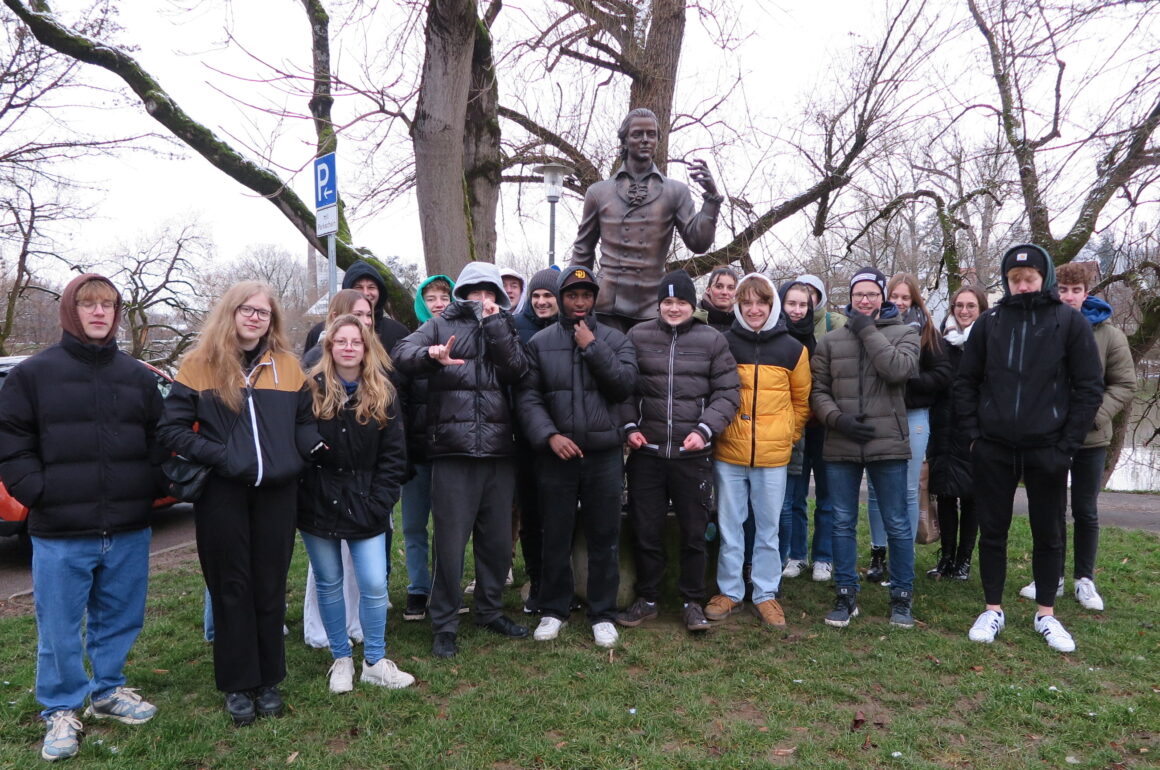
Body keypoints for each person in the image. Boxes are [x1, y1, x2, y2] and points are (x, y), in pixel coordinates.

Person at [0, 274, 163, 762]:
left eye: (108, 305)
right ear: (72, 311)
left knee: (119, 618)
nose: (99, 312)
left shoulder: (136, 377)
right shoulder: (33, 375)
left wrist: (154, 486)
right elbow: (11, 439)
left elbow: (160, 439)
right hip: (61, 531)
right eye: (89, 304)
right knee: (60, 626)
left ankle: (108, 690)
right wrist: (37, 491)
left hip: (129, 527)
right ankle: (61, 708)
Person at [159, 281, 322, 725]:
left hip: (276, 493)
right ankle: (237, 684)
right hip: (222, 493)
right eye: (246, 310)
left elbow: (304, 421)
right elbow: (171, 430)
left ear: (273, 320)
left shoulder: (288, 366)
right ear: (230, 313)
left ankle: (268, 679)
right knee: (231, 586)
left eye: (263, 313)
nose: (255, 318)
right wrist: (221, 456)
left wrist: (310, 450)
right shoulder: (199, 365)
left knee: (269, 586)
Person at [957, 244, 1103, 652]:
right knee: (993, 531)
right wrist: (974, 436)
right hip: (994, 448)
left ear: (1045, 280)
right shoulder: (989, 323)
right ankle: (992, 608)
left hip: (1048, 449)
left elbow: (1089, 388)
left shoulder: (1067, 323)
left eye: (1029, 279)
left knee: (1049, 532)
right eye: (1014, 280)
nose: (1021, 286)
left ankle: (1046, 614)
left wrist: (1067, 445)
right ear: (1006, 282)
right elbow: (966, 383)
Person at [393, 262, 531, 659]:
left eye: (490, 292)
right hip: (452, 451)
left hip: (499, 452)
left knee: (496, 542)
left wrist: (495, 327)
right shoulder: (439, 324)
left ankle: (489, 610)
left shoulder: (505, 326)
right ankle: (445, 623)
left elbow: (517, 370)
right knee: (450, 545)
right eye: (476, 291)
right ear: (464, 292)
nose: (483, 298)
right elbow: (402, 355)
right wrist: (430, 355)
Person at [518, 266, 637, 647]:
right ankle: (554, 609)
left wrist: (591, 346)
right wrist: (549, 436)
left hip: (603, 454)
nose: (580, 302)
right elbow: (529, 397)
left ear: (594, 298)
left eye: (586, 295)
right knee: (555, 534)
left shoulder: (615, 340)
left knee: (605, 535)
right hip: (557, 456)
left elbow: (623, 386)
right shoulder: (539, 343)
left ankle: (602, 613)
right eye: (572, 295)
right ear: (561, 299)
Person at [615, 270, 740, 633]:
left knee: (693, 531)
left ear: (691, 304)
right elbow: (624, 390)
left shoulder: (712, 340)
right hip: (647, 454)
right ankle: (648, 597)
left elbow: (728, 392)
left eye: (681, 302)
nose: (673, 308)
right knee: (646, 529)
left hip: (693, 456)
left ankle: (691, 600)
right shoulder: (637, 336)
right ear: (659, 304)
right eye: (667, 302)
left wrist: (705, 430)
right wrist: (629, 427)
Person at [298, 314, 413, 691]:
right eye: (341, 341)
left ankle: (375, 661)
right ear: (329, 347)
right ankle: (340, 658)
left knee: (373, 583)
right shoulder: (309, 390)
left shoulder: (383, 391)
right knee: (329, 583)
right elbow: (298, 444)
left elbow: (394, 457)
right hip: (318, 502)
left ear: (366, 348)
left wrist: (381, 501)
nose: (349, 348)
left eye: (356, 342)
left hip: (368, 501)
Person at [1016, 261, 1135, 611]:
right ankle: (1051, 576)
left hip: (1090, 438)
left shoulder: (1110, 335)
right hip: (1049, 437)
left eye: (1076, 291)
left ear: (1087, 293)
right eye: (1063, 290)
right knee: (1051, 509)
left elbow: (1124, 384)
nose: (1069, 297)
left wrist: (1092, 417)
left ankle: (1085, 579)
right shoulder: (1041, 327)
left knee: (1085, 509)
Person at [810, 266, 919, 629]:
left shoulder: (906, 333)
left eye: (872, 293)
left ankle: (902, 596)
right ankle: (845, 592)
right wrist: (836, 420)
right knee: (842, 521)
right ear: (851, 296)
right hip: (842, 440)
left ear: (883, 296)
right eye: (859, 294)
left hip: (888, 442)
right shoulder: (829, 341)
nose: (865, 300)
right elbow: (818, 390)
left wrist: (867, 329)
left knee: (897, 523)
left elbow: (897, 370)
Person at [705, 274, 810, 627]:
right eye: (746, 302)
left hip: (772, 456)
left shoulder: (793, 349)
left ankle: (766, 593)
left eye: (760, 303)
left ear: (771, 305)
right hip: (729, 453)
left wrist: (786, 436)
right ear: (737, 304)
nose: (753, 309)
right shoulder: (723, 343)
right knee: (730, 526)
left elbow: (801, 401)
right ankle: (730, 591)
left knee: (768, 528)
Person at [573, 107, 722, 334]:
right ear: (625, 140)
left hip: (652, 307)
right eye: (637, 134)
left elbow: (698, 243)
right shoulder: (598, 192)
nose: (645, 140)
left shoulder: (676, 191)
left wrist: (711, 199)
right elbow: (583, 251)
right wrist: (575, 298)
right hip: (606, 306)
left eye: (651, 134)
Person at [864, 274, 952, 584]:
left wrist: (908, 383)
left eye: (906, 298)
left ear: (915, 301)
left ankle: (905, 556)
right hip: (880, 417)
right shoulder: (874, 328)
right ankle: (878, 552)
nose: (900, 303)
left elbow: (942, 376)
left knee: (909, 488)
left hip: (914, 417)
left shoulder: (927, 333)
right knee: (875, 488)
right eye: (895, 297)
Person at [399, 274, 455, 622]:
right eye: (431, 297)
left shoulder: (461, 341)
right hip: (417, 454)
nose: (438, 303)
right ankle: (418, 588)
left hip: (450, 453)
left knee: (449, 526)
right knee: (414, 526)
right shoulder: (408, 346)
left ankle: (444, 587)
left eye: (444, 297)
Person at [927, 286, 989, 580]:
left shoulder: (989, 342)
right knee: (945, 495)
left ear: (981, 309)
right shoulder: (942, 344)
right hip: (942, 429)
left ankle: (964, 560)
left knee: (973, 497)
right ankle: (947, 558)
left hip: (976, 431)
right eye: (959, 306)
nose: (964, 311)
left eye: (971, 306)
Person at [511, 266, 561, 614]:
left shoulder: (572, 329)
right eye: (538, 296)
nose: (542, 302)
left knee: (559, 516)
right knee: (531, 517)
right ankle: (537, 582)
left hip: (564, 436)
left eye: (548, 296)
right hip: (526, 437)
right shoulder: (518, 327)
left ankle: (561, 583)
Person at [776, 279, 832, 582]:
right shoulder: (774, 339)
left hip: (821, 426)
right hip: (791, 429)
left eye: (803, 305)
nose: (797, 310)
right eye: (792, 303)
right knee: (794, 496)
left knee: (827, 494)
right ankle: (797, 555)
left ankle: (824, 556)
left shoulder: (818, 343)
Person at [303, 259, 410, 357]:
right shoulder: (319, 332)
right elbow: (307, 371)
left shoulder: (398, 332)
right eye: (358, 287)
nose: (365, 293)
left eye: (371, 287)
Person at [696, 266, 738, 331]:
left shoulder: (744, 321)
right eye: (718, 286)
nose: (724, 292)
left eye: (730, 288)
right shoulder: (692, 319)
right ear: (708, 289)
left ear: (735, 292)